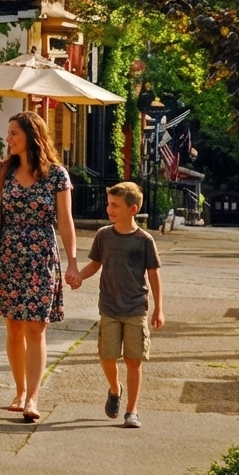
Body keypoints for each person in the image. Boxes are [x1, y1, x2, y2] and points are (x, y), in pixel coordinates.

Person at [0, 111, 81, 422]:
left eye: (13, 133)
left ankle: (34, 398)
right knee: (13, 328)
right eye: (9, 133)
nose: (8, 138)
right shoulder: (2, 171)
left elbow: (65, 222)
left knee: (37, 328)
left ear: (30, 136)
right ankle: (20, 390)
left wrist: (73, 263)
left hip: (42, 257)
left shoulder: (57, 175)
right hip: (10, 256)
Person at [70, 182, 164, 429]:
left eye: (115, 205)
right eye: (108, 204)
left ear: (132, 209)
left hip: (135, 308)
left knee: (134, 360)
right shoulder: (104, 235)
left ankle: (132, 411)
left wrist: (159, 308)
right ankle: (115, 388)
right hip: (109, 306)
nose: (109, 209)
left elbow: (153, 274)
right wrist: (79, 276)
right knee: (107, 356)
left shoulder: (144, 240)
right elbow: (95, 264)